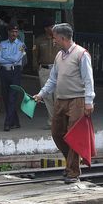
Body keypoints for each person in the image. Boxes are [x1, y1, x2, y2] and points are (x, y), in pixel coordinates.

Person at [33, 23, 95, 184]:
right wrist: (41, 94)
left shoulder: (82, 54)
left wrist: (89, 101)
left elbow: (89, 80)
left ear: (62, 38)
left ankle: (73, 171)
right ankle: (71, 163)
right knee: (57, 133)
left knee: (74, 136)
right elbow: (53, 79)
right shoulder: (59, 55)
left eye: (55, 38)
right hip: (61, 100)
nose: (53, 41)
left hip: (77, 100)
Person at [0, 23, 26, 132]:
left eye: (16, 32)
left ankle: (7, 123)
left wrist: (6, 57)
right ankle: (16, 122)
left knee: (12, 97)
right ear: (8, 32)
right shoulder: (2, 44)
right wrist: (10, 59)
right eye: (12, 31)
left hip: (15, 73)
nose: (14, 34)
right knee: (5, 97)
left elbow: (17, 59)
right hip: (4, 72)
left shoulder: (21, 45)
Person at [32, 18, 60, 128]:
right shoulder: (39, 40)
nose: (53, 28)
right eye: (50, 27)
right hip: (44, 69)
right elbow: (35, 55)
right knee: (47, 96)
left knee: (58, 96)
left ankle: (59, 122)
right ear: (46, 28)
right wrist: (36, 68)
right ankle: (51, 121)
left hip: (57, 69)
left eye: (53, 26)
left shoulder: (59, 39)